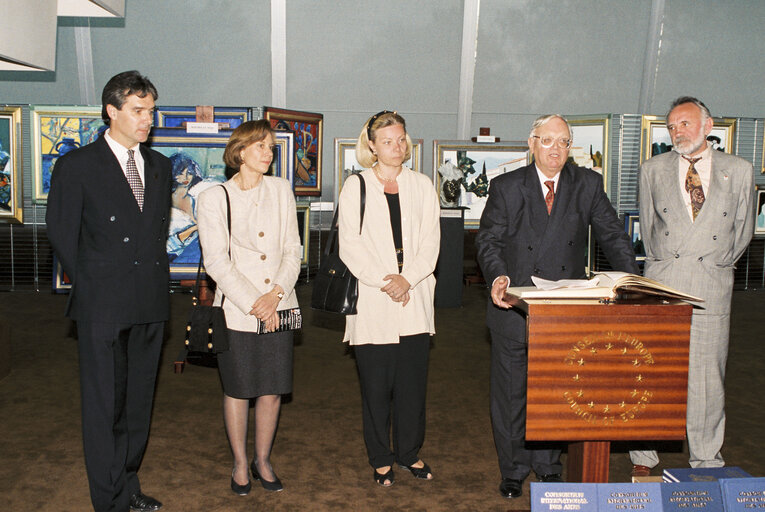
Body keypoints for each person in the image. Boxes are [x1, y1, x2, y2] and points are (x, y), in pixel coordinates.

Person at [475, 114, 638, 499]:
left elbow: (613, 235)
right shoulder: (506, 187)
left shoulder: (588, 185)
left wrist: (632, 280)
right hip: (513, 308)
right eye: (547, 141)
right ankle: (513, 468)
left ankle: (548, 465)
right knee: (512, 394)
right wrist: (498, 277)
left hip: (564, 312)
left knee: (556, 391)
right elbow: (488, 240)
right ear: (531, 144)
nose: (555, 149)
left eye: (563, 142)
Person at [46, 70, 171, 512]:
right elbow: (63, 235)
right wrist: (97, 287)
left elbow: (156, 236)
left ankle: (128, 486)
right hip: (103, 305)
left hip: (151, 302)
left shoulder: (160, 166)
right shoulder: (78, 165)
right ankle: (109, 500)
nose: (147, 120)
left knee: (138, 404)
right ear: (111, 110)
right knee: (104, 407)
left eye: (151, 111)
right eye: (138, 111)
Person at [629, 97, 754, 475]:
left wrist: (716, 264)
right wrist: (662, 268)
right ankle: (644, 457)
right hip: (663, 283)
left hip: (711, 284)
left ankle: (706, 458)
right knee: (652, 372)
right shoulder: (652, 169)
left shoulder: (740, 170)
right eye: (671, 126)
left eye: (684, 123)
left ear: (707, 124)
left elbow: (743, 230)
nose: (677, 131)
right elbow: (649, 230)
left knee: (707, 377)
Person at [196, 119, 302, 496]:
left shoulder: (281, 190)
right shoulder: (213, 198)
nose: (268, 153)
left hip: (280, 304)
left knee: (272, 390)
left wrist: (274, 294)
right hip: (238, 310)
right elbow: (216, 262)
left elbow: (293, 250)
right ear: (239, 151)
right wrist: (255, 303)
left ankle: (263, 459)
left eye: (271, 147)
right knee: (239, 389)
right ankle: (240, 463)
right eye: (261, 146)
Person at [338, 111, 440, 487]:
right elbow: (349, 245)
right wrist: (387, 282)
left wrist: (407, 279)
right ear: (371, 146)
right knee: (376, 388)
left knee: (412, 387)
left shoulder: (423, 185)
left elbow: (431, 242)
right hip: (374, 300)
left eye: (400, 139)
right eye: (386, 141)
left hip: (414, 298)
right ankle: (381, 456)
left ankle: (409, 453)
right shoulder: (357, 186)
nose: (395, 147)